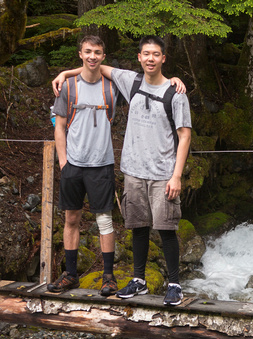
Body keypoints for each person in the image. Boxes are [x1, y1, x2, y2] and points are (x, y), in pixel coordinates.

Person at [53, 35, 192, 306]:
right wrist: (64, 72)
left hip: (163, 172)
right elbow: (94, 66)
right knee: (138, 227)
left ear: (163, 58)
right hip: (133, 171)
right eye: (145, 54)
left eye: (156, 54)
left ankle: (174, 283)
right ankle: (138, 280)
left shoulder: (175, 93)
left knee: (166, 228)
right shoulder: (131, 81)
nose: (150, 58)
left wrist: (176, 175)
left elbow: (185, 135)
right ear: (139, 58)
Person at [47, 34, 119, 297]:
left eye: (97, 52)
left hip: (102, 163)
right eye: (87, 52)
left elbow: (145, 78)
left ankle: (109, 277)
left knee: (104, 220)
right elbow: (60, 126)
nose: (92, 56)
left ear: (103, 55)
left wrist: (175, 81)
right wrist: (63, 161)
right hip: (73, 165)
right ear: (80, 54)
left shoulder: (112, 86)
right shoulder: (68, 87)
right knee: (72, 218)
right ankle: (71, 274)